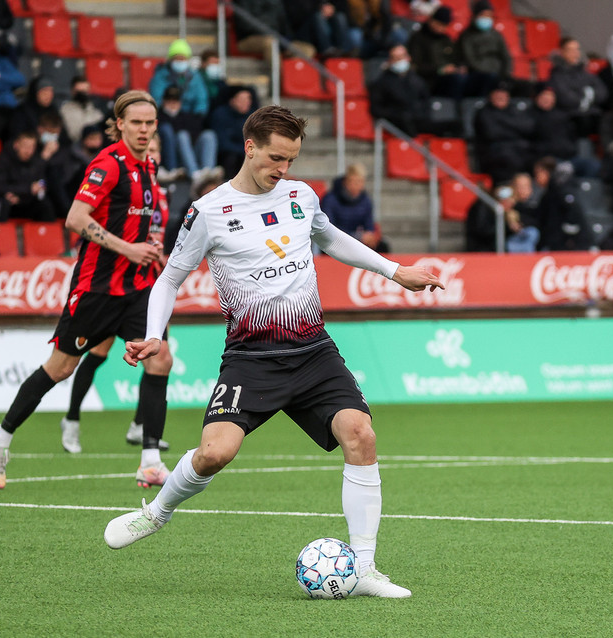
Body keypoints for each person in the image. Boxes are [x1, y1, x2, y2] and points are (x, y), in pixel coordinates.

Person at [103, 105, 445, 599]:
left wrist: (394, 271)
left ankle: (365, 568)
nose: (283, 169)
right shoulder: (209, 211)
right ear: (250, 147)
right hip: (251, 359)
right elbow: (170, 278)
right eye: (276, 158)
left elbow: (331, 239)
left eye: (291, 160)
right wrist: (155, 333)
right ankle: (155, 514)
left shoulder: (301, 195)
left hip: (313, 351)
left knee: (361, 434)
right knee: (214, 454)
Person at [0, 90, 173, 490]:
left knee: (160, 360)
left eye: (149, 123)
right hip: (97, 288)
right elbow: (75, 218)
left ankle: (150, 462)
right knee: (61, 367)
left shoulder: (149, 166)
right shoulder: (108, 164)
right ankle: (0, 436)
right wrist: (128, 248)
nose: (143, 129)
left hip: (138, 286)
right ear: (119, 124)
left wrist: (149, 245)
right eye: (136, 122)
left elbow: (134, 219)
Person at [60, 132, 171, 454]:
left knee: (160, 356)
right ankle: (72, 418)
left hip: (147, 282)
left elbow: (155, 233)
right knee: (97, 353)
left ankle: (140, 425)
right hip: (112, 281)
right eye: (148, 148)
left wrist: (160, 252)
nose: (151, 154)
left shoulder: (160, 193)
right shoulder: (124, 183)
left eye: (156, 149)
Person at [0, 129, 56, 222]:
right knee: (3, 203)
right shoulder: (1, 161)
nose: (28, 151)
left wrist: (39, 187)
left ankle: (45, 231)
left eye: (32, 147)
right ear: (16, 145)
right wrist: (26, 190)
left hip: (22, 200)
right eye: (25, 146)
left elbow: (42, 181)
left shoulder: (35, 162)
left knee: (44, 204)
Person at [156, 84, 222, 187]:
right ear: (164, 101)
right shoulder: (158, 117)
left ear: (180, 102)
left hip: (190, 154)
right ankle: (194, 173)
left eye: (175, 101)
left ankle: (207, 171)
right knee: (182, 135)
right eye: (170, 100)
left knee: (209, 135)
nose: (173, 104)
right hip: (173, 161)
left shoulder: (187, 116)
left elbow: (197, 134)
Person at [368, 44, 436, 138]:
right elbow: (376, 109)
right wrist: (397, 113)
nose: (399, 61)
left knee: (451, 126)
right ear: (389, 61)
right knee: (406, 120)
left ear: (408, 58)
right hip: (397, 123)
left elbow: (426, 102)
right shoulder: (381, 83)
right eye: (396, 58)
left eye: (401, 57)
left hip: (418, 119)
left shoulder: (418, 81)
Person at [320, 162, 389, 252]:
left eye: (361, 182)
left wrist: (369, 235)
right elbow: (329, 228)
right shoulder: (330, 199)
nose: (358, 186)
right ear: (346, 181)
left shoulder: (366, 200)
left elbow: (369, 225)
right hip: (335, 242)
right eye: (355, 182)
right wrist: (357, 236)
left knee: (382, 246)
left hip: (357, 240)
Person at [474, 81, 534, 183]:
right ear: (491, 95)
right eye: (497, 93)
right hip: (494, 154)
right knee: (508, 156)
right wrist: (514, 128)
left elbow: (527, 128)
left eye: (503, 94)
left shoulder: (514, 109)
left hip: (517, 150)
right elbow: (492, 133)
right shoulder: (484, 112)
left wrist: (503, 123)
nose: (500, 97)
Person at [548, 37, 608, 138]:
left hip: (592, 114)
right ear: (562, 52)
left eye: (577, 49)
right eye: (570, 50)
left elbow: (603, 93)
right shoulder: (557, 75)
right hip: (570, 117)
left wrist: (582, 96)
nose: (575, 53)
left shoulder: (585, 73)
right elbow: (566, 99)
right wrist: (589, 95)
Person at [407, 5, 467, 100]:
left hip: (447, 77)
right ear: (432, 21)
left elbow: (455, 58)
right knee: (456, 80)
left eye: (444, 25)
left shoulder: (446, 39)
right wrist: (440, 70)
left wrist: (459, 67)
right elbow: (416, 66)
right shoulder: (418, 38)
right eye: (439, 24)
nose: (441, 28)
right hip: (429, 79)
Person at [457, 0, 511, 97]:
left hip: (498, 74)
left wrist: (506, 75)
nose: (486, 18)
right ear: (475, 16)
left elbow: (506, 57)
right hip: (477, 75)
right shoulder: (467, 36)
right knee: (489, 79)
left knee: (524, 86)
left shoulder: (496, 35)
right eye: (483, 15)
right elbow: (470, 60)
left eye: (489, 15)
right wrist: (490, 71)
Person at [232, 0, 315, 61]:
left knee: (307, 49)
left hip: (276, 39)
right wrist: (269, 32)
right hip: (248, 39)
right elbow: (245, 25)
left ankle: (290, 75)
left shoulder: (276, 1)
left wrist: (288, 41)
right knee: (271, 43)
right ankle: (279, 78)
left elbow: (284, 23)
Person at [209, 86, 255, 179]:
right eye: (242, 99)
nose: (246, 102)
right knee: (232, 157)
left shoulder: (253, 117)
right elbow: (222, 142)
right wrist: (244, 150)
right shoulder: (220, 114)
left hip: (246, 151)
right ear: (232, 100)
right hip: (225, 155)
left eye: (248, 99)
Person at [59, 76, 107, 143]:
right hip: (76, 144)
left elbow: (100, 124)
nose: (83, 94)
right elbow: (74, 135)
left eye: (85, 91)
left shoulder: (94, 106)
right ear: (72, 91)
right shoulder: (66, 109)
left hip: (97, 143)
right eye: (79, 92)